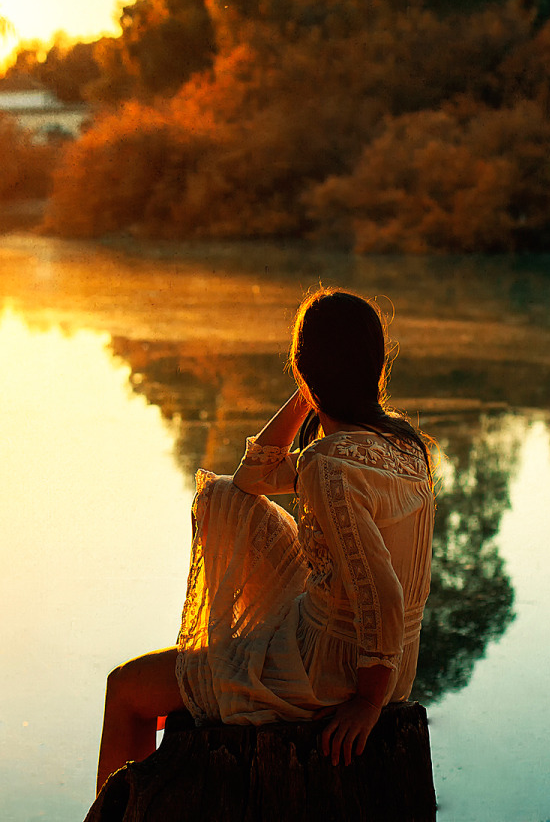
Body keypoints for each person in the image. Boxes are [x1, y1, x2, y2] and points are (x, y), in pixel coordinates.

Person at [95, 288, 435, 794]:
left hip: (326, 673)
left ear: (306, 368)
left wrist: (366, 702)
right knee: (228, 496)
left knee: (124, 689)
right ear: (376, 364)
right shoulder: (402, 446)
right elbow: (252, 478)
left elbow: (383, 593)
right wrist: (310, 392)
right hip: (390, 664)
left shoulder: (329, 465)